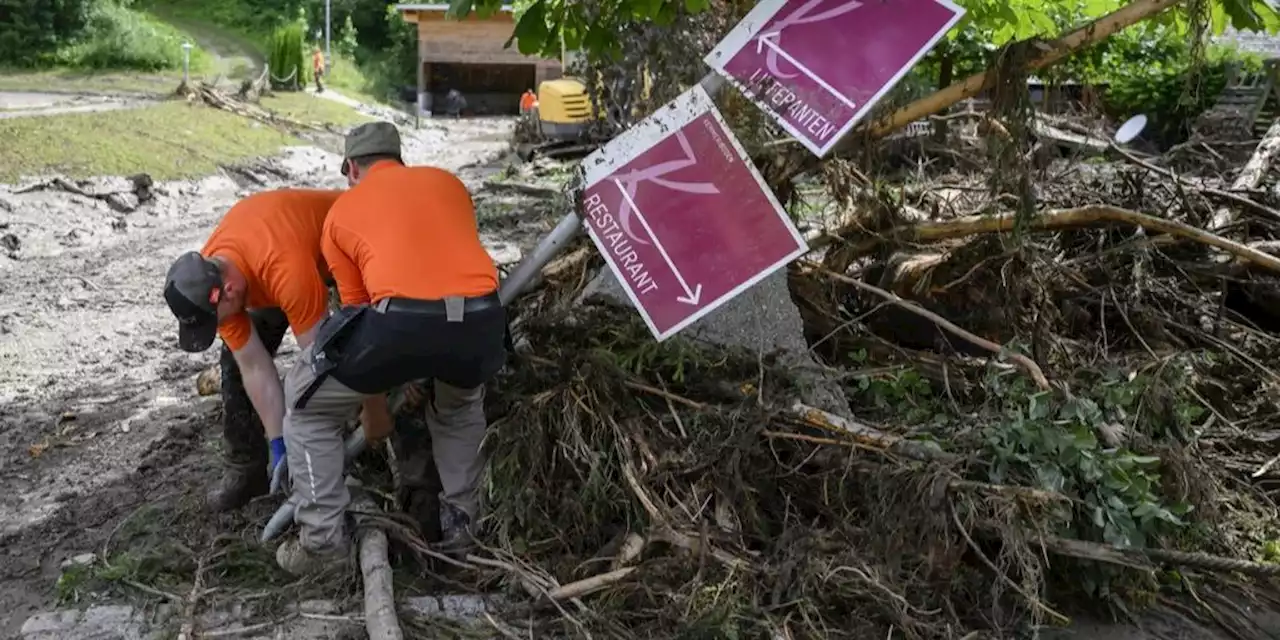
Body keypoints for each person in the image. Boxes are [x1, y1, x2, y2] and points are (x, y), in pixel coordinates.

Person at [274, 121, 505, 574]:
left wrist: (372, 408)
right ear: (399, 159)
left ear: (351, 168)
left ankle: (322, 544)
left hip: (400, 324)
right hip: (482, 321)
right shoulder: (450, 185)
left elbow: (358, 318)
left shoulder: (342, 212)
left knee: (305, 407)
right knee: (459, 410)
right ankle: (464, 537)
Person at [162, 188, 342, 512]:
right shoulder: (211, 286)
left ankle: (345, 457)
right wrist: (279, 443)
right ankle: (248, 470)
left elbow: (319, 365)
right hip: (265, 278)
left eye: (213, 322)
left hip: (339, 254)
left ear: (227, 292)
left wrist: (309, 448)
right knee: (233, 365)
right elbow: (255, 368)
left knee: (343, 359)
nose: (215, 327)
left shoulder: (284, 268)